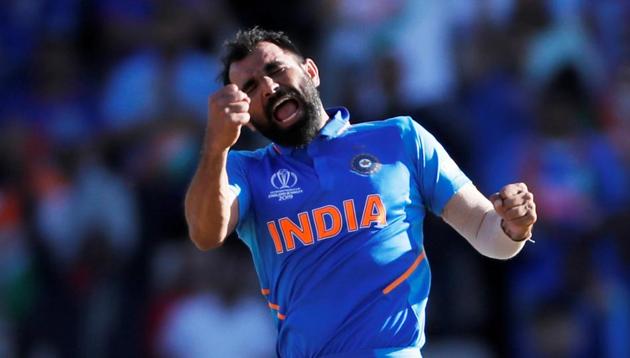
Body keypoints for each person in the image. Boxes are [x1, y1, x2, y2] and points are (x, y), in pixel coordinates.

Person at [184, 27, 537, 357]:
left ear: (311, 71)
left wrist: (512, 227)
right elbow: (205, 233)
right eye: (249, 88)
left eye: (276, 70)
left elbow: (484, 231)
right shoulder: (244, 170)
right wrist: (216, 148)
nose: (268, 88)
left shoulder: (400, 138)